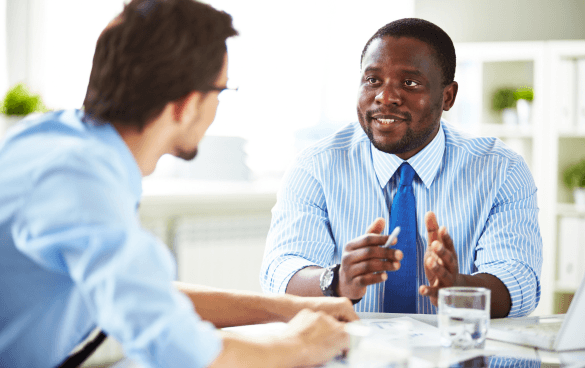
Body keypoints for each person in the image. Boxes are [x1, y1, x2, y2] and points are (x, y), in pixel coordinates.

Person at [0, 1, 357, 367]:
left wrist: (286, 308)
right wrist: (304, 344)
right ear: (187, 104)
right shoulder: (81, 184)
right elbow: (181, 353)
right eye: (222, 91)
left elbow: (138, 294)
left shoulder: (51, 140)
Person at [260, 18, 542, 318]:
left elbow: (520, 280)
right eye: (372, 81)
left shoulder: (501, 170)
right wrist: (337, 281)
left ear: (448, 96)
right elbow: (281, 272)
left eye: (409, 83)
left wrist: (457, 287)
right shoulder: (315, 166)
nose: (385, 97)